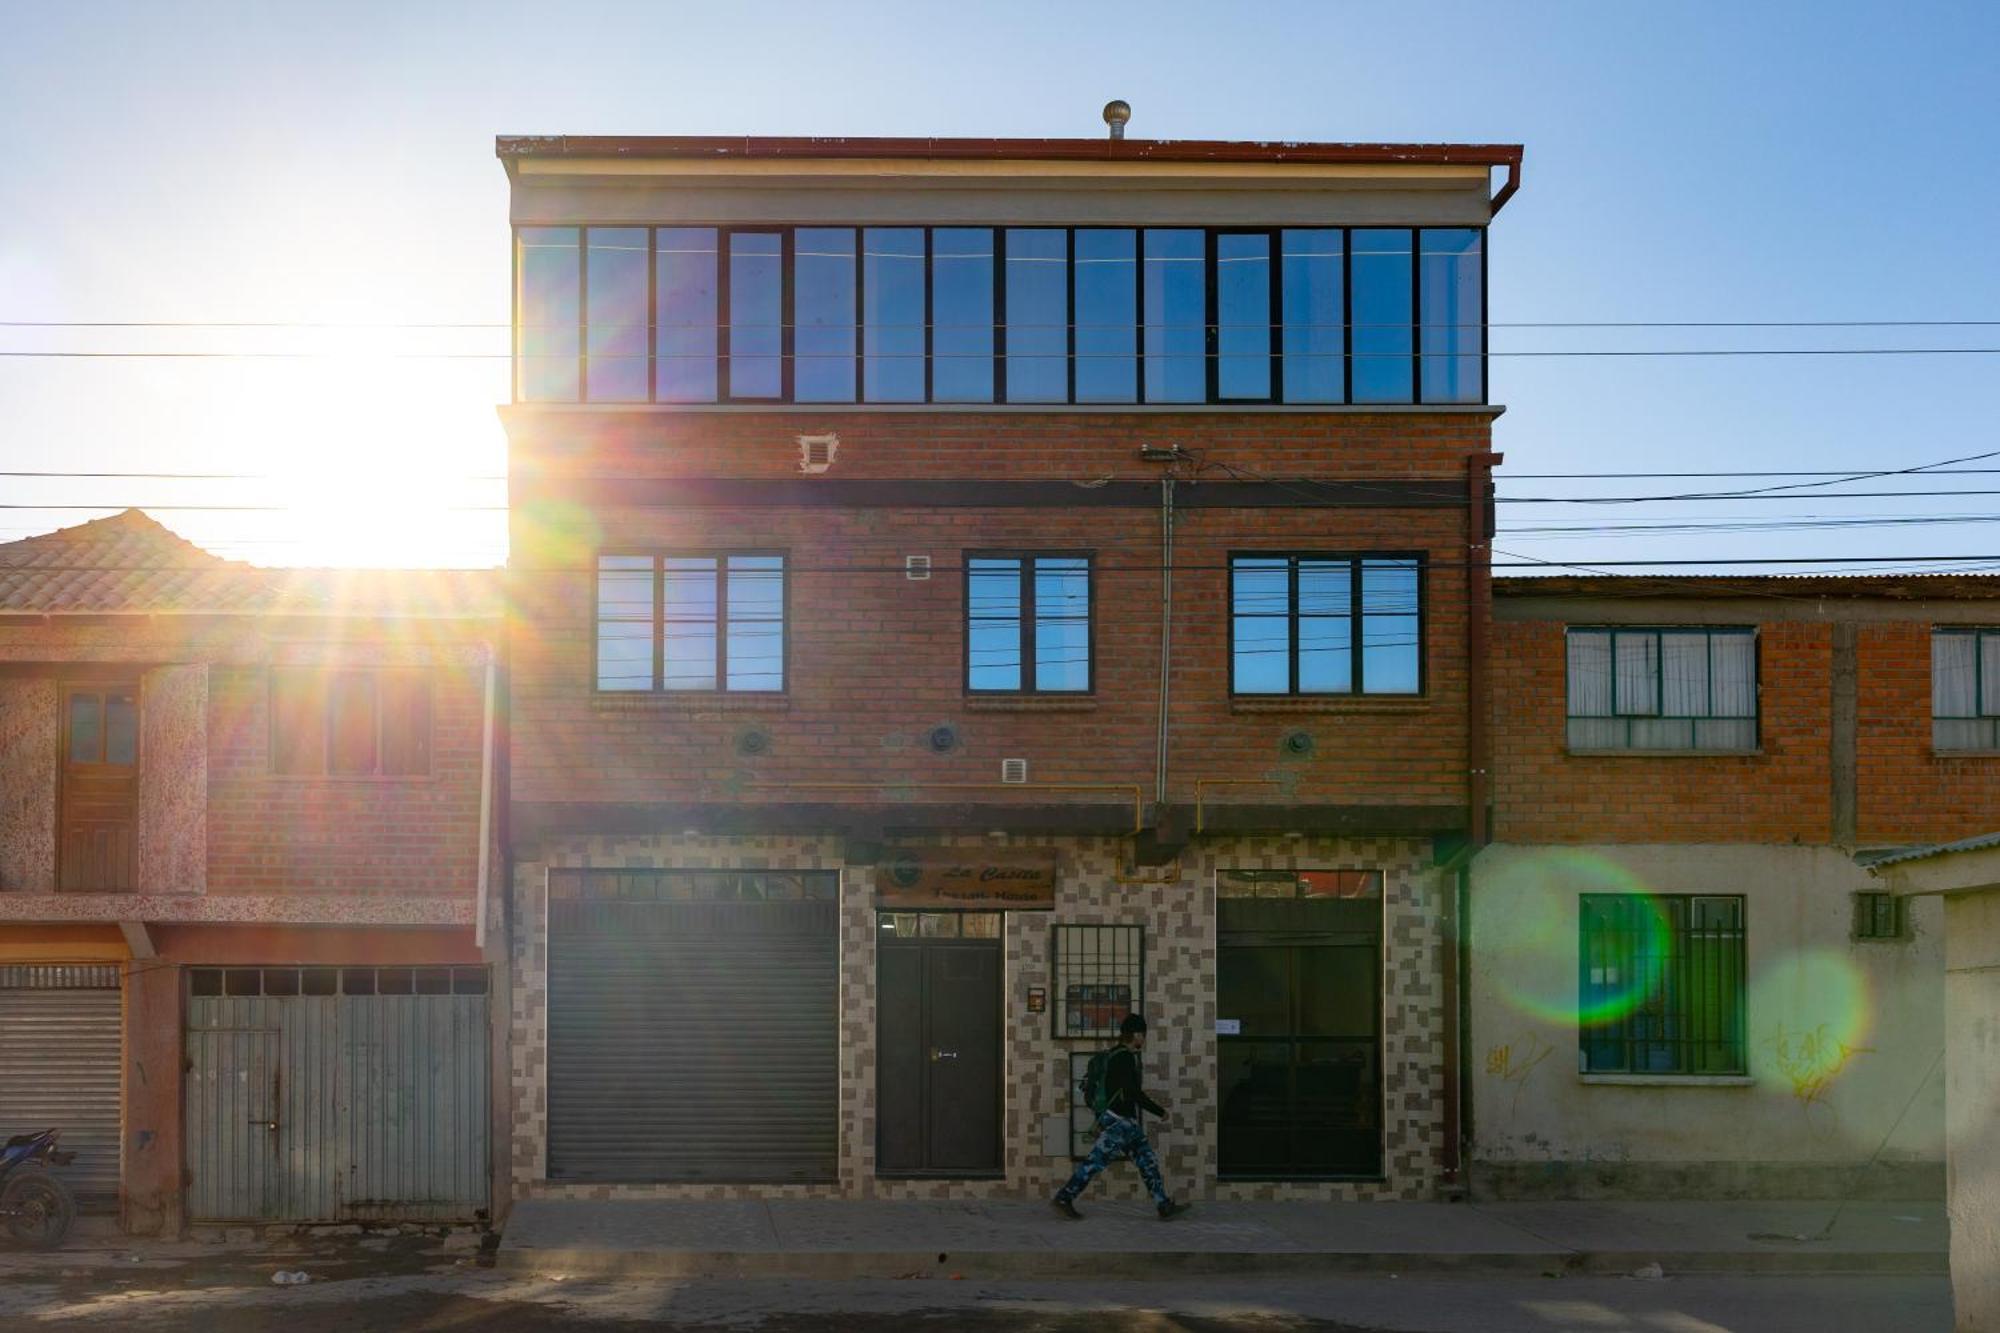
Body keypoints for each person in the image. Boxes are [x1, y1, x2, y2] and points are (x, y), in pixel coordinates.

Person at [1052, 1013, 1188, 1220]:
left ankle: (1163, 1204)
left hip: (1121, 1121)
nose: (1144, 1039)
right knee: (1095, 1161)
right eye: (1143, 1034)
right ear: (1135, 1034)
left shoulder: (1114, 1054)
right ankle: (1064, 1197)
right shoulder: (1124, 1057)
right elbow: (1133, 1092)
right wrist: (1159, 1111)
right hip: (1119, 1121)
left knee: (1146, 1160)